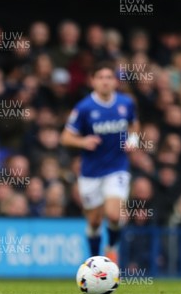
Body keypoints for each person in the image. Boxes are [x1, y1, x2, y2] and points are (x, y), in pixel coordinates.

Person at [60, 62, 139, 262]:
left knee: (114, 215)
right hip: (91, 171)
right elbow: (66, 137)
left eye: (109, 77)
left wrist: (133, 140)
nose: (105, 81)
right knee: (94, 221)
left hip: (117, 167)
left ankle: (112, 247)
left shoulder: (126, 103)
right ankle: (95, 259)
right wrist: (83, 141)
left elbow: (134, 125)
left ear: (115, 82)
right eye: (101, 77)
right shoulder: (84, 108)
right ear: (93, 81)